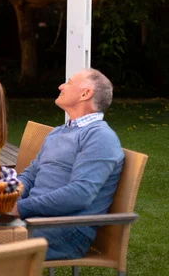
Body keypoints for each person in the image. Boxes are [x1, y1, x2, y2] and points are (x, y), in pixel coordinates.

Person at [10, 68, 124, 260]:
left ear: (85, 94)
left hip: (65, 230)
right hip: (35, 220)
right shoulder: (58, 132)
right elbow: (31, 174)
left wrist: (20, 208)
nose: (61, 86)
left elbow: (79, 194)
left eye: (69, 82)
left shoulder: (100, 137)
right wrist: (10, 195)